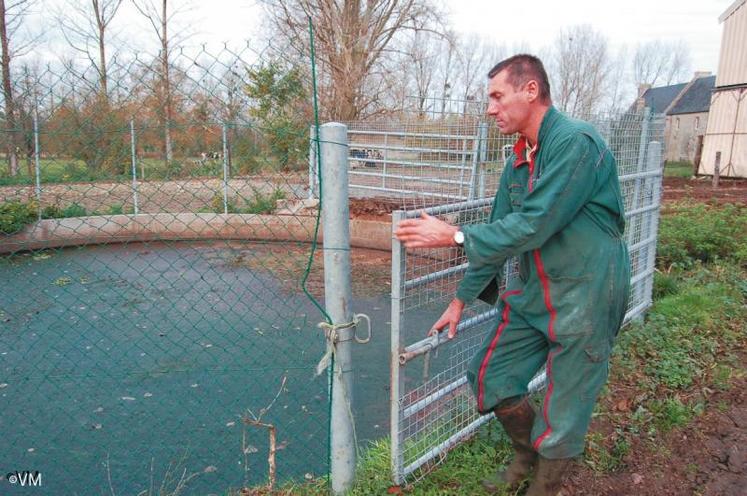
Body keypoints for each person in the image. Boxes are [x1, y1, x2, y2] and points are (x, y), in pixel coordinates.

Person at [395, 54, 630, 496]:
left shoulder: (576, 142)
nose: (490, 108)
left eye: (497, 96)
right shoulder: (519, 159)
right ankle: (527, 455)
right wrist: (460, 300)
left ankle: (542, 486)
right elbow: (502, 231)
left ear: (531, 91)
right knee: (491, 378)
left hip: (587, 293)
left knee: (565, 409)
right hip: (535, 292)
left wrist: (456, 235)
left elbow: (536, 223)